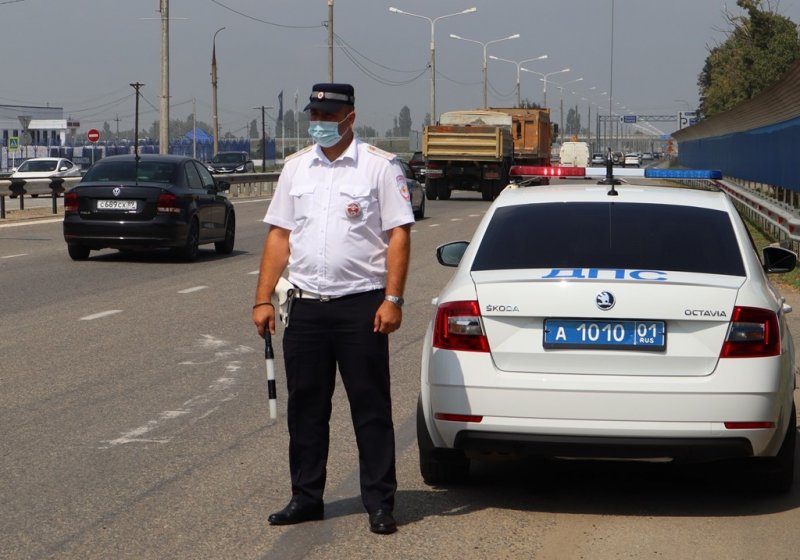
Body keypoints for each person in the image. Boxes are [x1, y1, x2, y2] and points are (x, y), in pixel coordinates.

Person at [252, 83, 413, 535]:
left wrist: (393, 299)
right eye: (315, 114)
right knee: (306, 410)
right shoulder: (296, 168)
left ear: (350, 117)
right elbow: (280, 235)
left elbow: (399, 234)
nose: (319, 121)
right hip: (305, 308)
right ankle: (305, 497)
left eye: (329, 113)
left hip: (361, 307)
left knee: (371, 408)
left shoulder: (379, 168)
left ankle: (379, 502)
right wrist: (263, 297)